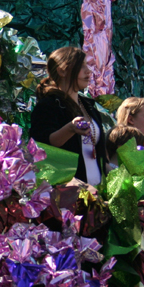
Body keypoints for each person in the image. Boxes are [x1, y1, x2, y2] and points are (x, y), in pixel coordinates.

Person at [29, 47, 107, 185]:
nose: (88, 71)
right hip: (68, 195)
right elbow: (42, 145)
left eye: (87, 65)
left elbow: (100, 155)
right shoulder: (48, 106)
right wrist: (70, 128)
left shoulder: (89, 107)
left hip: (97, 195)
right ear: (62, 71)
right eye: (81, 66)